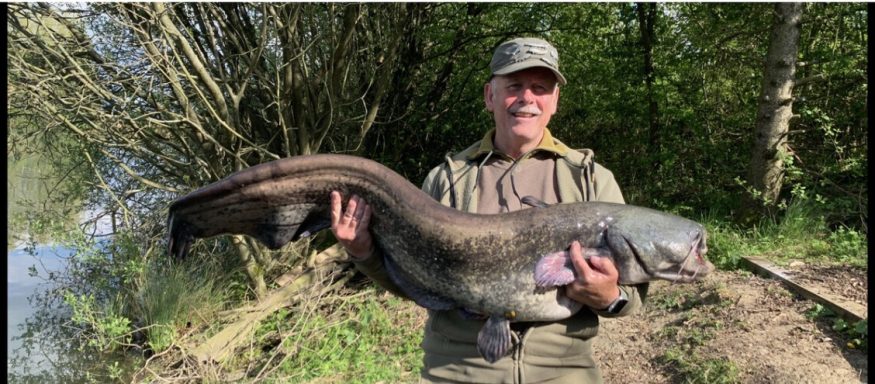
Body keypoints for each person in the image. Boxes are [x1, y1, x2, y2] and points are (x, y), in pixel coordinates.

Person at [329, 37, 648, 383]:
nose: (527, 98)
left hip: (563, 370)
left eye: (540, 87)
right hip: (456, 368)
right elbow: (413, 284)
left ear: (554, 100)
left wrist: (609, 298)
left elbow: (632, 296)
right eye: (514, 85)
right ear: (489, 96)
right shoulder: (446, 180)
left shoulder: (590, 180)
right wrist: (362, 252)